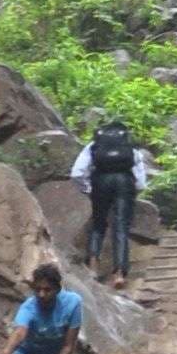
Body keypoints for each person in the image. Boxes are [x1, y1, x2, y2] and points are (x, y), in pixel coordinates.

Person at [72, 118, 147, 284]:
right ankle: (119, 274)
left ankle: (92, 267)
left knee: (98, 224)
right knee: (121, 227)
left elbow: (77, 172)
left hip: (101, 181)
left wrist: (87, 188)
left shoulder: (94, 146)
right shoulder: (129, 147)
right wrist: (134, 192)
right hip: (124, 182)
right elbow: (141, 179)